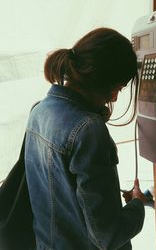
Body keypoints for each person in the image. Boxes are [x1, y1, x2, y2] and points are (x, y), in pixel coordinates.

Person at [25, 27, 145, 250]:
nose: (115, 97)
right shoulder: (88, 131)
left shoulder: (39, 111)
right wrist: (137, 205)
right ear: (107, 84)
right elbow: (107, 236)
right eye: (119, 87)